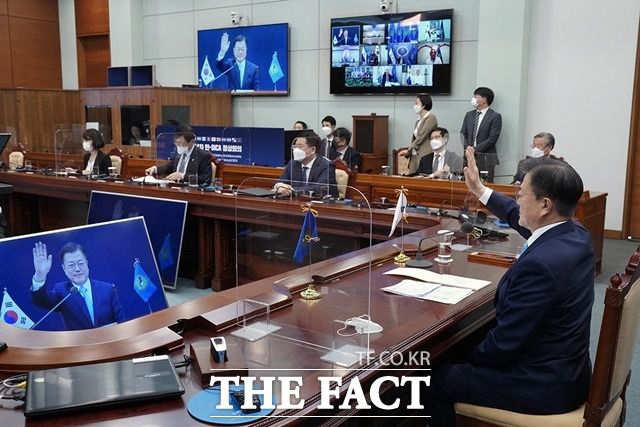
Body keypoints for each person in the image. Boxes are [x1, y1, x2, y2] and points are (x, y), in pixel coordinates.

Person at [425, 147, 594, 426]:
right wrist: (480, 190)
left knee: (435, 377)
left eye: (521, 194)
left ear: (545, 205)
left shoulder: (540, 266)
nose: (517, 199)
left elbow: (504, 345)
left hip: (539, 385)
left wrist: (458, 354)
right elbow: (517, 216)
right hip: (568, 372)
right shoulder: (576, 234)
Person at [30, 241, 125, 330]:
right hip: (79, 342)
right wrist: (40, 275)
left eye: (80, 263)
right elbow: (41, 300)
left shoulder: (107, 289)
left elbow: (121, 323)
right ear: (64, 269)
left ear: (87, 264)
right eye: (71, 265)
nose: (77, 269)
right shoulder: (62, 291)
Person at [273, 131, 338, 198]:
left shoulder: (326, 165)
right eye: (295, 146)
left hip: (321, 202)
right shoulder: (292, 164)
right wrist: (279, 186)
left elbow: (319, 189)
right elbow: (281, 181)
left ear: (313, 150)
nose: (295, 150)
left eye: (300, 147)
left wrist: (291, 190)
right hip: (295, 201)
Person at [144, 125, 212, 185]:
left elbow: (205, 179)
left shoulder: (203, 156)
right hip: (174, 187)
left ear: (192, 142)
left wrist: (183, 176)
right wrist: (155, 169)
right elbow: (170, 167)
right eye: (177, 143)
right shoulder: (178, 152)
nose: (178, 146)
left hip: (191, 190)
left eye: (181, 143)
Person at [461, 86, 502, 182]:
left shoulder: (495, 116)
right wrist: (468, 149)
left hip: (486, 158)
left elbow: (492, 139)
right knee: (467, 184)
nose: (473, 99)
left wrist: (475, 149)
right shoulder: (469, 115)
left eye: (476, 97)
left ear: (484, 100)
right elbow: (463, 134)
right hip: (468, 157)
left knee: (485, 185)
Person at [406, 94, 438, 174]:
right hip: (414, 154)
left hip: (425, 154)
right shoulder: (418, 120)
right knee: (411, 177)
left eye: (416, 103)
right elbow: (415, 138)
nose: (415, 106)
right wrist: (409, 152)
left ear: (423, 105)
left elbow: (422, 136)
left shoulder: (431, 118)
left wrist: (410, 147)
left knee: (422, 177)